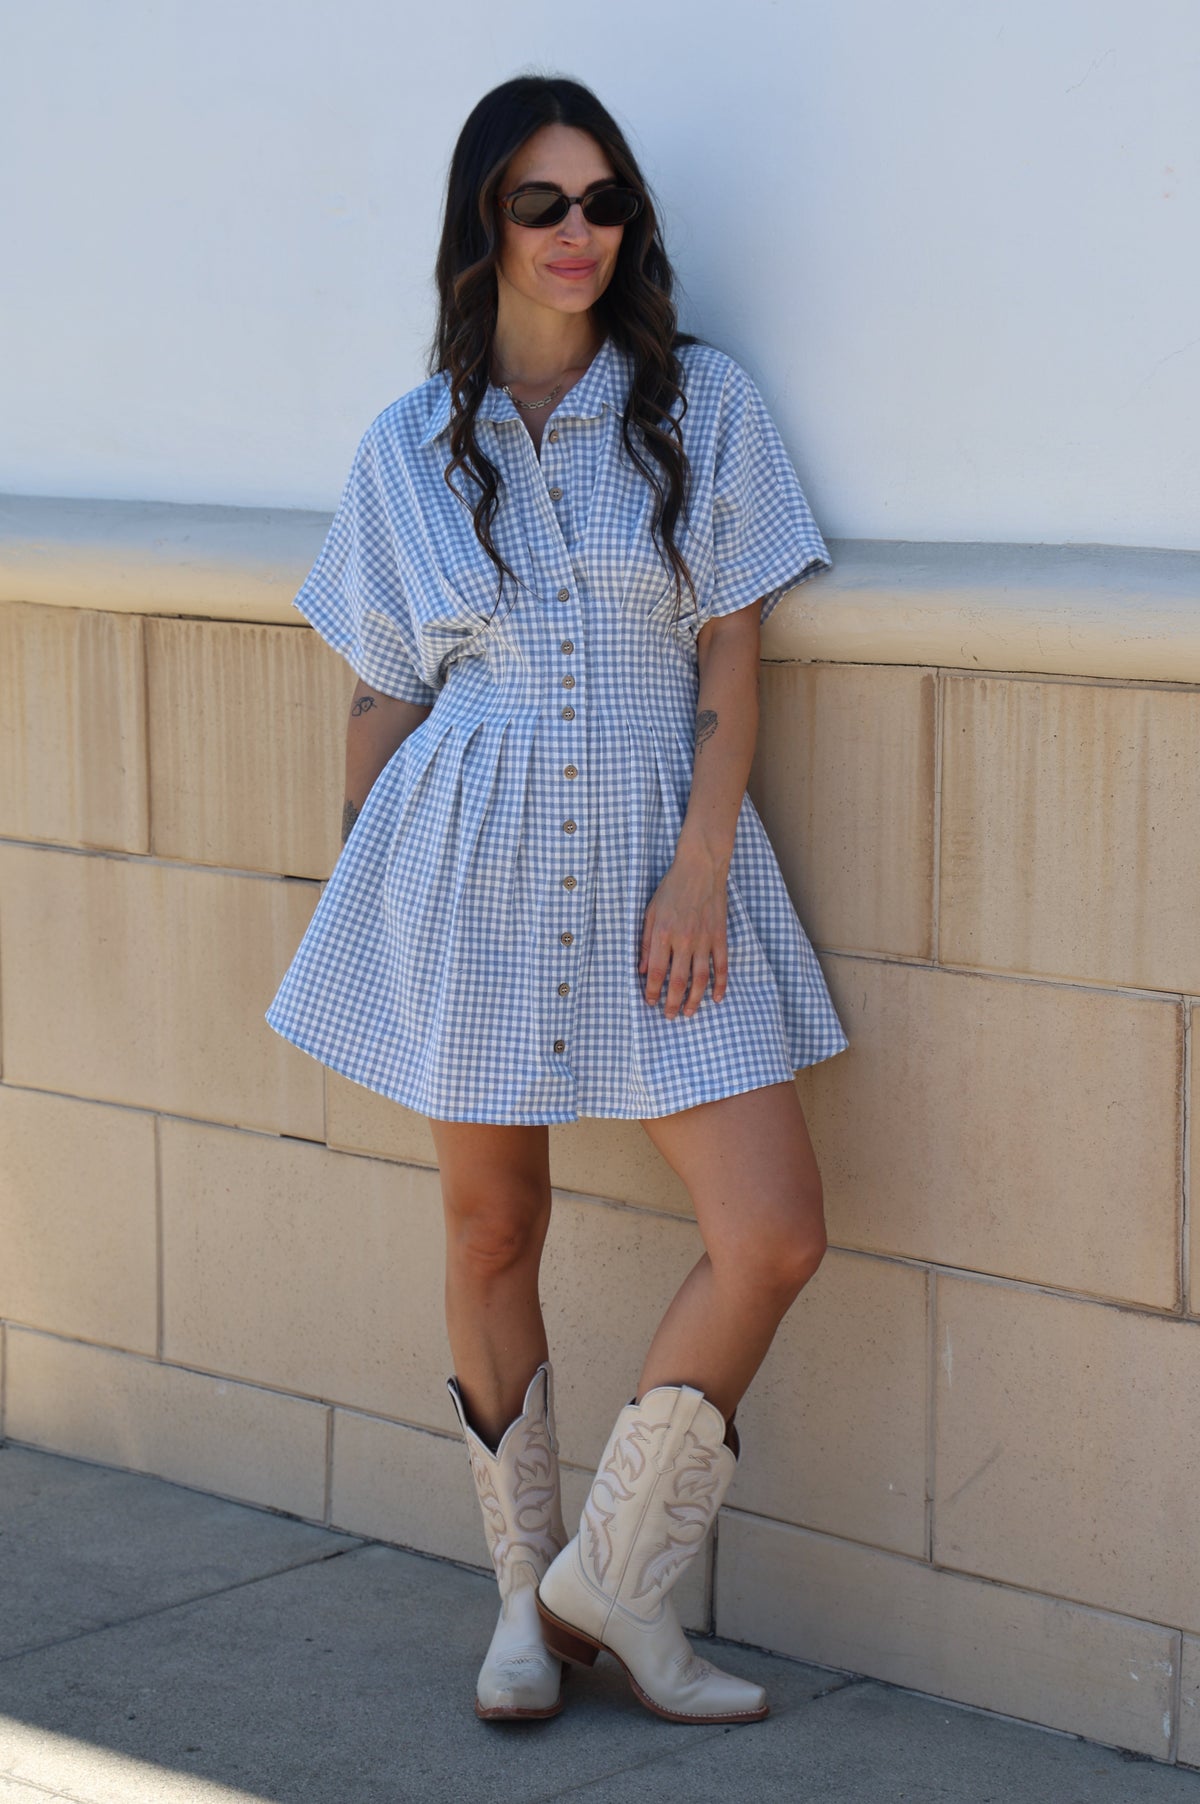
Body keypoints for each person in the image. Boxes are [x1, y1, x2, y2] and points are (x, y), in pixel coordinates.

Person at [266, 73, 850, 1727]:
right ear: (485, 224)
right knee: (489, 1222)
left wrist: (696, 865)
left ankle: (619, 1572)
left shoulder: (701, 409)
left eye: (605, 203)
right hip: (472, 854)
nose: (579, 231)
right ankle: (532, 1608)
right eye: (543, 203)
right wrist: (386, 891)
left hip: (670, 844)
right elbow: (381, 696)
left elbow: (731, 645)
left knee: (775, 1231)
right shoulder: (407, 446)